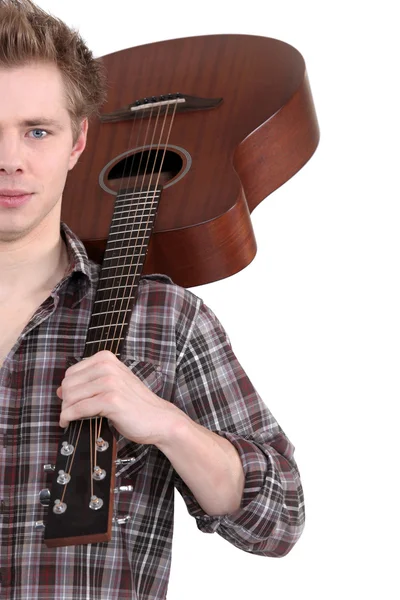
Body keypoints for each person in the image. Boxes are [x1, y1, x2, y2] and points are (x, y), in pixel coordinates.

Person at [0, 1, 305, 598]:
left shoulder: (166, 319)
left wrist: (169, 426)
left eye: (37, 130)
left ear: (78, 140)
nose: (10, 158)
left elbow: (280, 517)